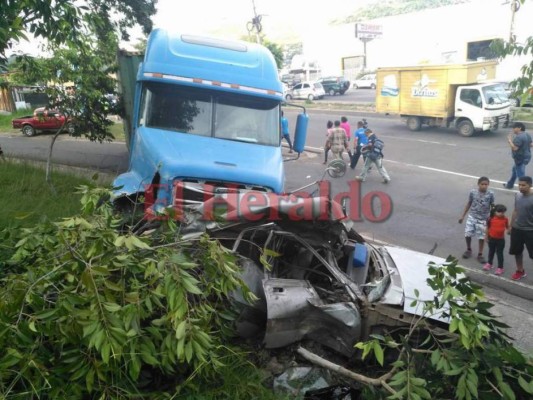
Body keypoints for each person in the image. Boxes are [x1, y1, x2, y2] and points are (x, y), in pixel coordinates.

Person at [458, 176, 495, 263]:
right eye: (482, 184)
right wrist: (462, 216)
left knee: (481, 237)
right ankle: (469, 249)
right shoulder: (473, 192)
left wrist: (492, 218)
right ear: (478, 184)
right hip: (472, 217)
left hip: (483, 219)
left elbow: (492, 206)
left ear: (488, 185)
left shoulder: (490, 194)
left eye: (486, 184)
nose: (484, 186)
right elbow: (469, 203)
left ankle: (480, 254)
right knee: (468, 234)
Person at [508, 176, 533, 280]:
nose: (521, 187)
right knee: (517, 252)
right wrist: (510, 226)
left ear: (530, 185)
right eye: (519, 185)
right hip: (517, 229)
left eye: (524, 185)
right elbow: (515, 210)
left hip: (530, 230)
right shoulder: (517, 195)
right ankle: (520, 271)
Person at [483, 204, 509, 276]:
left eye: (503, 212)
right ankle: (489, 263)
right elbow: (488, 228)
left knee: (499, 253)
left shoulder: (505, 219)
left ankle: (500, 267)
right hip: (491, 239)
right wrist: (486, 237)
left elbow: (508, 227)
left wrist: (509, 231)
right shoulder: (490, 219)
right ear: (495, 212)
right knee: (491, 251)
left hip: (500, 240)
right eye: (500, 212)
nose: (502, 213)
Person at [504, 122, 531, 189]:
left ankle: (526, 189)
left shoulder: (519, 137)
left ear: (519, 128)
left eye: (514, 128)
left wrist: (510, 140)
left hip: (520, 158)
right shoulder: (527, 134)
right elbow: (531, 144)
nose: (513, 129)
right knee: (514, 171)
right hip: (526, 157)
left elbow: (515, 148)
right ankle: (509, 185)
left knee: (521, 176)